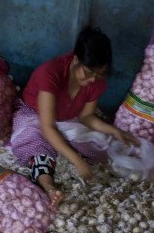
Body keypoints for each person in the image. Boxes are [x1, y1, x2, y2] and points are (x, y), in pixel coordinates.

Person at [10, 26, 138, 208]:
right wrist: (76, 161)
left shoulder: (96, 82)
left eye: (100, 74)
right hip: (35, 116)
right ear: (75, 59)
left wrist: (114, 131)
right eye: (88, 73)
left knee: (100, 147)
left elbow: (86, 117)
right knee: (36, 143)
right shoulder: (50, 73)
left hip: (68, 119)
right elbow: (47, 126)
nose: (93, 79)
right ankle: (49, 187)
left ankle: (62, 154)